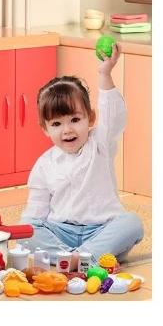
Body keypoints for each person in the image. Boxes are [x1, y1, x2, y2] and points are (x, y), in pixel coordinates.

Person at [20, 43, 144, 265]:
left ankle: (82, 256)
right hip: (60, 232)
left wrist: (105, 74)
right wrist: (24, 232)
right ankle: (79, 258)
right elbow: (35, 213)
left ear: (91, 118)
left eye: (75, 120)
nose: (67, 130)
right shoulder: (44, 164)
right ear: (45, 128)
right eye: (57, 124)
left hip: (102, 229)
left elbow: (114, 116)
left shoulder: (100, 143)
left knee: (132, 223)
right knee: (26, 230)